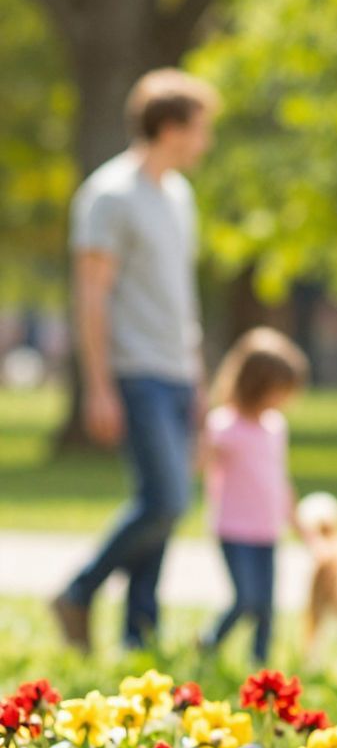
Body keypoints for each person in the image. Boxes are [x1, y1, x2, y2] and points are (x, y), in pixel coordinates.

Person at [52, 69, 219, 653]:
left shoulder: (179, 195)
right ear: (170, 127)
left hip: (176, 372)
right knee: (167, 499)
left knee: (163, 508)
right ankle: (78, 592)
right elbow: (91, 295)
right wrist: (98, 386)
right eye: (200, 128)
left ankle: (138, 634)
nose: (206, 141)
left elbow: (180, 299)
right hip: (135, 370)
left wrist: (198, 380)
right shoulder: (110, 195)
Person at [198, 328, 309, 665]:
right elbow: (200, 464)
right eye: (279, 391)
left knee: (266, 606)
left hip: (267, 529)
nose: (283, 399)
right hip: (234, 529)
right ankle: (209, 641)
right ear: (256, 386)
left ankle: (260, 663)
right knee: (246, 598)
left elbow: (279, 479)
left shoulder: (275, 427)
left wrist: (296, 521)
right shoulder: (224, 426)